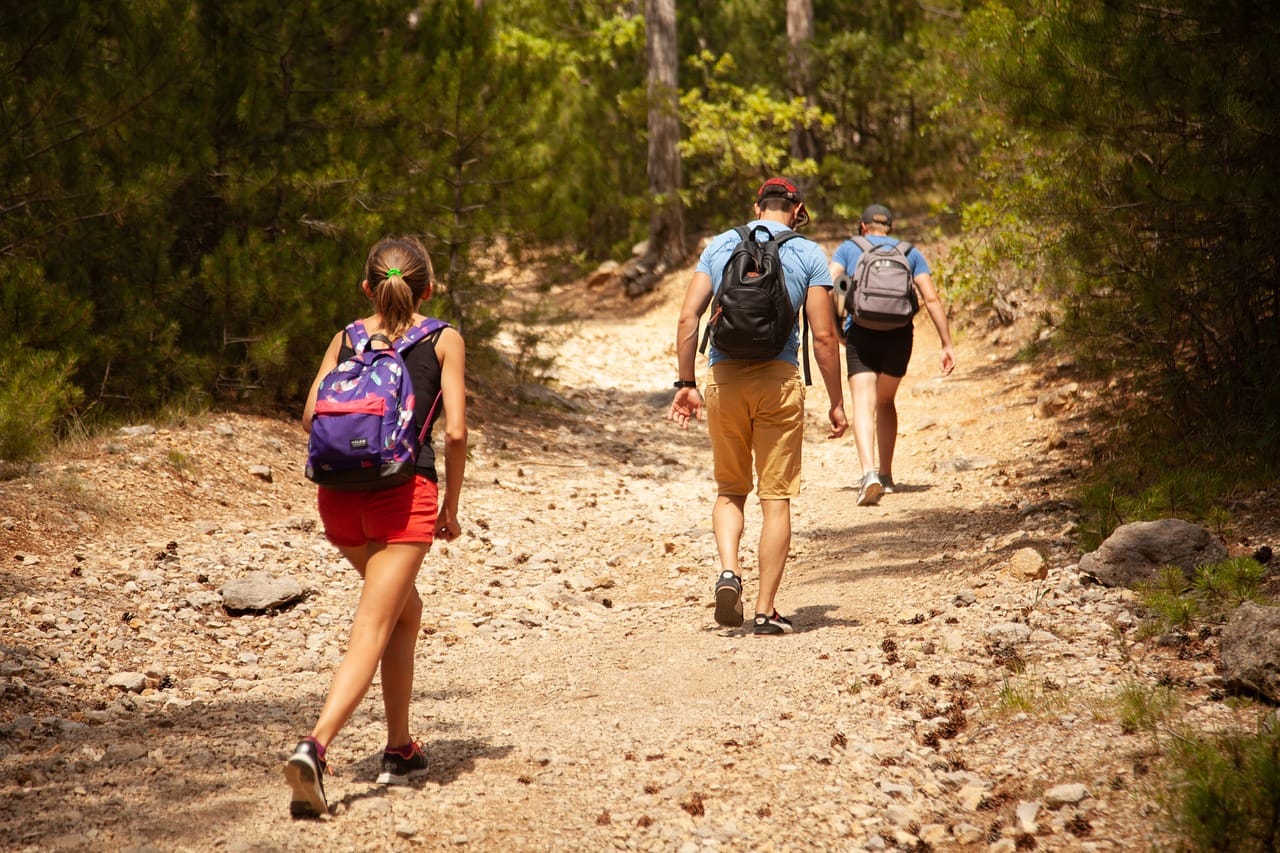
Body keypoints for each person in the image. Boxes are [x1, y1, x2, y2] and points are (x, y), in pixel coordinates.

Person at [287, 235, 467, 818]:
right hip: (402, 495)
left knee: (405, 612)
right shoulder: (444, 339)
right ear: (428, 289)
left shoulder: (346, 336)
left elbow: (314, 413)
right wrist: (450, 508)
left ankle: (399, 748)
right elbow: (457, 431)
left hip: (338, 501)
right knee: (373, 625)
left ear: (367, 287)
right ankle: (314, 748)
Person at [669, 177, 847, 636]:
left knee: (731, 489)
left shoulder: (723, 243)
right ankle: (766, 611)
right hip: (779, 380)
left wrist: (686, 383)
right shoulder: (808, 254)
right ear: (798, 210)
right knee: (775, 499)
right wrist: (837, 402)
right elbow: (825, 337)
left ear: (756, 206)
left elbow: (689, 316)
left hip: (724, 379)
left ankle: (729, 571)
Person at [830, 204, 955, 507]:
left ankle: (867, 473)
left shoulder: (850, 248)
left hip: (860, 332)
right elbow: (931, 297)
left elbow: (833, 284)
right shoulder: (909, 252)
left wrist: (836, 327)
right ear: (890, 228)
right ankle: (886, 475)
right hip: (899, 336)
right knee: (885, 401)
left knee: (863, 402)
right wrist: (946, 343)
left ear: (863, 226)